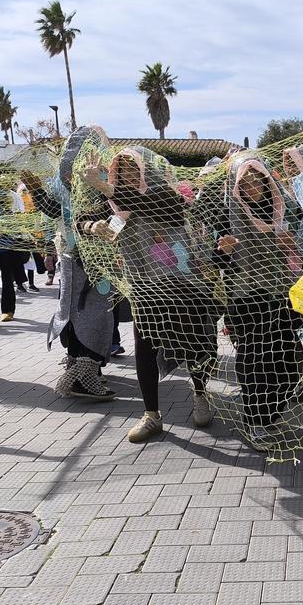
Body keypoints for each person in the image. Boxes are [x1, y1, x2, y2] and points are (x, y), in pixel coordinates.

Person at [84, 145, 219, 440]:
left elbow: (162, 209)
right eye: (123, 172)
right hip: (143, 286)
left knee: (193, 341)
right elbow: (79, 221)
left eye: (134, 170)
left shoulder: (166, 194)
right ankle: (151, 414)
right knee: (144, 347)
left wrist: (106, 187)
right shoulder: (115, 205)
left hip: (182, 283)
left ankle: (200, 393)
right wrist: (92, 225)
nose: (129, 176)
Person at [213, 152, 303, 444]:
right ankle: (255, 421)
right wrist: (223, 252)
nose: (253, 186)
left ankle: (271, 414)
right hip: (246, 298)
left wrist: (294, 244)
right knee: (256, 363)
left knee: (290, 363)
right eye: (246, 182)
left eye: (258, 180)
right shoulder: (225, 213)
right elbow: (212, 261)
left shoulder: (285, 208)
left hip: (284, 295)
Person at [21, 127, 119, 401]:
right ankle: (82, 376)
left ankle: (81, 367)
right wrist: (37, 191)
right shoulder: (90, 172)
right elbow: (89, 210)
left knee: (78, 311)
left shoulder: (79, 175)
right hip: (85, 255)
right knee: (94, 312)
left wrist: (38, 192)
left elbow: (60, 209)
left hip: (80, 253)